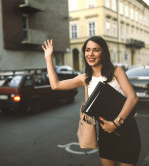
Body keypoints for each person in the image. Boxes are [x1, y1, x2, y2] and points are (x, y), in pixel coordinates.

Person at [42, 36, 141, 166]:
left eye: (96, 50)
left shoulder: (116, 71)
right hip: (106, 134)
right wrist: (48, 58)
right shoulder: (85, 78)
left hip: (126, 130)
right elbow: (56, 85)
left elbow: (133, 98)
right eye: (88, 50)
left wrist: (116, 123)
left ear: (103, 53)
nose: (91, 54)